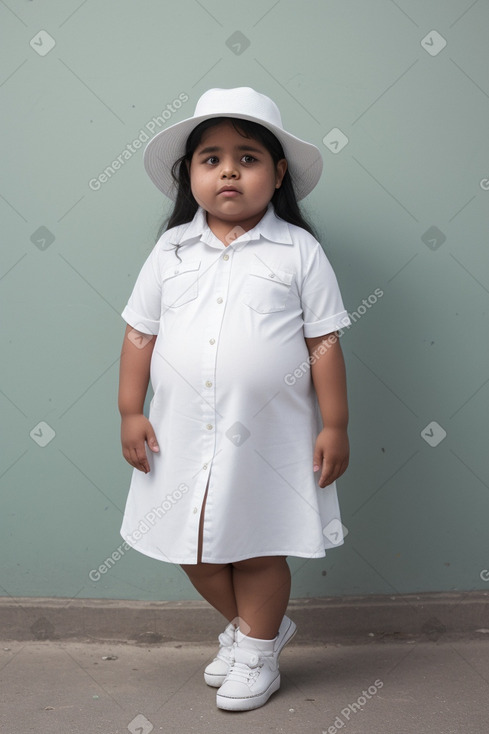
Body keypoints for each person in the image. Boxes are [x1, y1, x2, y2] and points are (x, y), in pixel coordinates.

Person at [118, 87, 351, 711]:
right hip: (180, 431)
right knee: (191, 545)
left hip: (271, 435)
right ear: (187, 174)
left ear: (277, 176)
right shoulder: (169, 253)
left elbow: (323, 341)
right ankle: (260, 631)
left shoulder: (298, 252)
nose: (228, 170)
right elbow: (140, 332)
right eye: (211, 157)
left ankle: (255, 648)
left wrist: (336, 424)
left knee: (256, 545)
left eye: (248, 158)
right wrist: (130, 411)